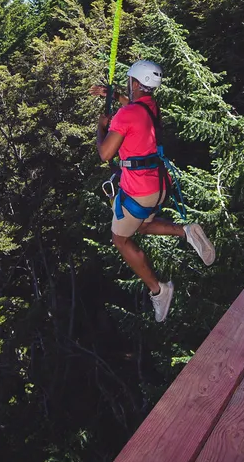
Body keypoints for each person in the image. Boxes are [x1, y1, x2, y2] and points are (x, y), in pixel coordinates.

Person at [90, 60, 216, 323]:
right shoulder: (150, 108)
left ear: (135, 83)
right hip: (158, 187)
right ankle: (186, 231)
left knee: (121, 240)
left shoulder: (126, 115)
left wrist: (101, 127)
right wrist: (112, 95)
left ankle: (159, 290)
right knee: (143, 226)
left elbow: (105, 154)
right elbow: (132, 105)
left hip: (138, 191)